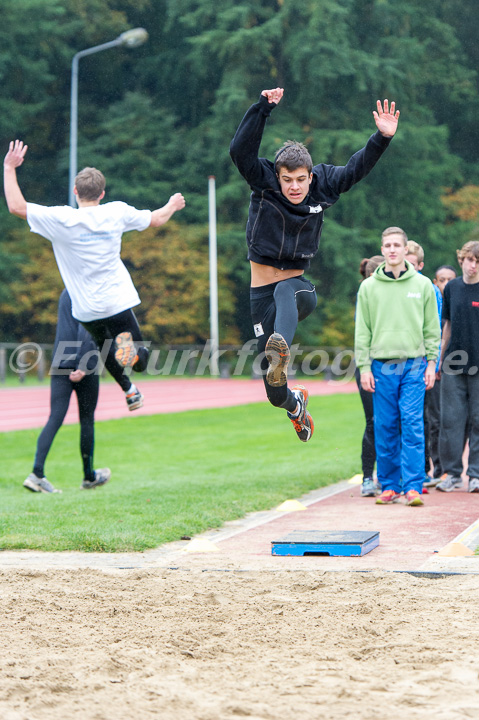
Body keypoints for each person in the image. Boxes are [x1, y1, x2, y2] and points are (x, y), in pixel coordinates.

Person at [230, 87, 400, 441]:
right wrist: (262, 110)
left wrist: (381, 139)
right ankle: (295, 406)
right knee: (274, 393)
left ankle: (282, 350)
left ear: (311, 176)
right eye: (287, 180)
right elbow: (239, 151)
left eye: (301, 180)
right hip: (260, 297)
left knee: (284, 290)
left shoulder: (325, 185)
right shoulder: (264, 182)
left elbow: (356, 169)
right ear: (277, 176)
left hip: (298, 291)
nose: (294, 187)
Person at [3, 140, 185, 411]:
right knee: (139, 356)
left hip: (87, 309)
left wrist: (8, 167)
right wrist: (172, 204)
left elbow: (16, 207)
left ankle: (129, 390)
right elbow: (157, 219)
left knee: (104, 347)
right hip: (117, 300)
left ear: (76, 191)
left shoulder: (62, 219)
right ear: (102, 194)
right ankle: (135, 359)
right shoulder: (116, 212)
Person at [354, 226, 441, 506]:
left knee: (413, 424)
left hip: (415, 365)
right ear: (382, 250)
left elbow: (432, 328)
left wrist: (431, 363)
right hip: (381, 366)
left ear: (406, 250)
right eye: (387, 245)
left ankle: (413, 486)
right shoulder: (368, 287)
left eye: (397, 245)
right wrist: (364, 367)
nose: (392, 249)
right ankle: (390, 485)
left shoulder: (423, 285)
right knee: (386, 425)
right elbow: (362, 331)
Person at [24, 289, 110, 494]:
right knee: (87, 420)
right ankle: (89, 476)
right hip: (84, 364)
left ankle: (36, 473)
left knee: (54, 418)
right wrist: (82, 364)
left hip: (60, 360)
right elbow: (85, 328)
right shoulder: (88, 289)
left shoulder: (66, 292)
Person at [436, 241, 479, 494]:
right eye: (469, 260)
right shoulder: (451, 287)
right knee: (450, 421)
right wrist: (439, 359)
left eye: (477, 261)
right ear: (461, 260)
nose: (473, 266)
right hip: (453, 364)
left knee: (477, 420)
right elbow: (447, 325)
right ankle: (451, 474)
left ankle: (475, 474)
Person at [356, 256, 383, 497]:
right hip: (370, 364)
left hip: (393, 364)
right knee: (373, 422)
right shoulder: (366, 295)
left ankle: (389, 476)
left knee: (392, 422)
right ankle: (367, 477)